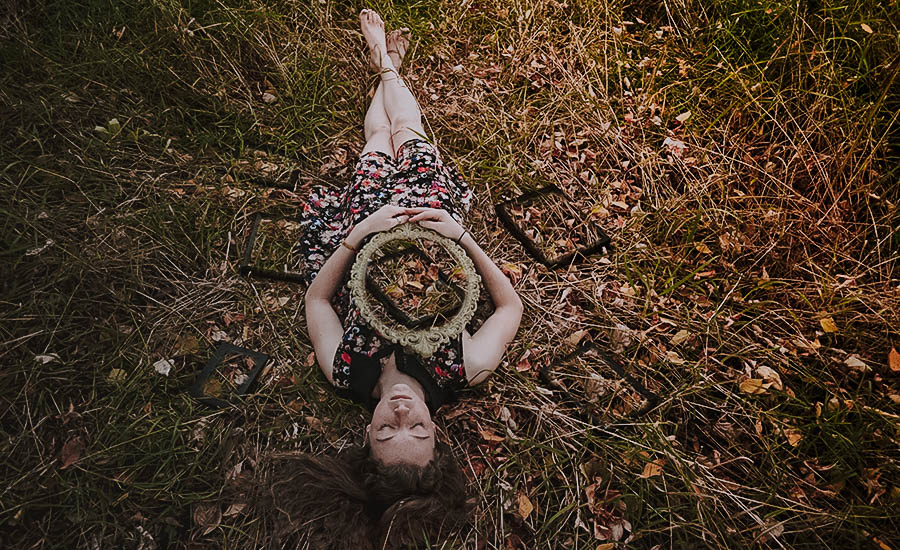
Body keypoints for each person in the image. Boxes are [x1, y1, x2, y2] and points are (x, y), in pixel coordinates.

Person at [269, 9, 523, 549]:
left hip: (363, 232)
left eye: (387, 430)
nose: (402, 414)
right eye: (419, 430)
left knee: (376, 141)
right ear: (438, 433)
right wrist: (462, 237)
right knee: (409, 131)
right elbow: (509, 310)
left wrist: (357, 233)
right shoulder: (461, 370)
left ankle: (385, 63)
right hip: (430, 222)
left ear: (367, 434)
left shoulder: (347, 373)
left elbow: (317, 300)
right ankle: (387, 64)